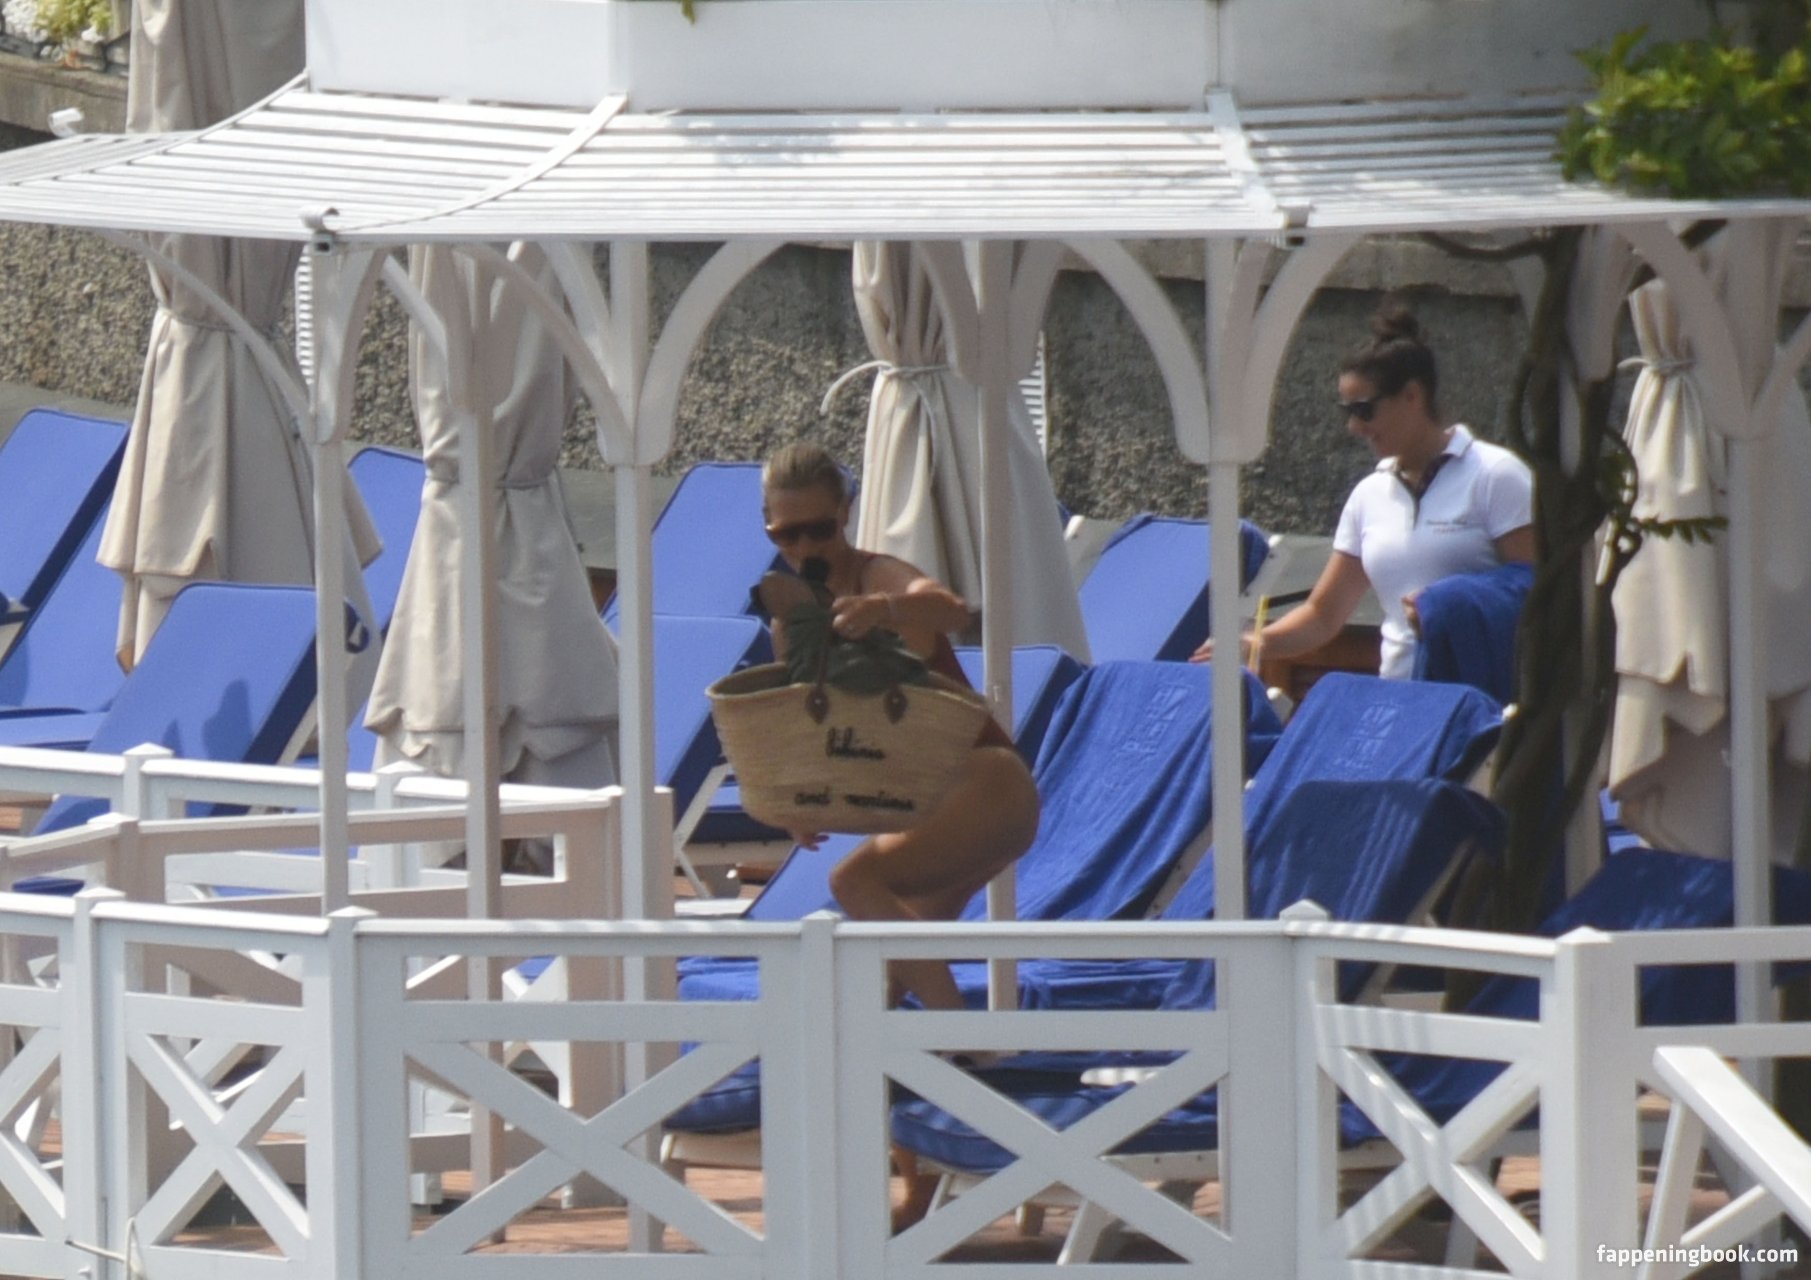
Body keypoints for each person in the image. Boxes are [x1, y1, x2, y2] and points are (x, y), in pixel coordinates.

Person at [756, 441, 1040, 1014]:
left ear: (845, 515)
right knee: (886, 982)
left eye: (818, 530)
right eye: (786, 535)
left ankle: (966, 1047)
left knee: (852, 883)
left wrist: (884, 608)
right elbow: (807, 724)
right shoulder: (792, 625)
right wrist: (797, 802)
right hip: (929, 801)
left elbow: (950, 610)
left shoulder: (875, 574)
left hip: (985, 783)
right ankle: (934, 1060)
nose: (804, 548)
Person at [1192, 301, 1534, 678]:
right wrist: (1253, 643)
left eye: (1364, 410)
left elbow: (1535, 592)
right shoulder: (1369, 495)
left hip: (1480, 697)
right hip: (1399, 694)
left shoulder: (1495, 475)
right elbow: (1323, 615)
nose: (1354, 427)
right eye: (1347, 412)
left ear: (1412, 396)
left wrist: (1451, 604)